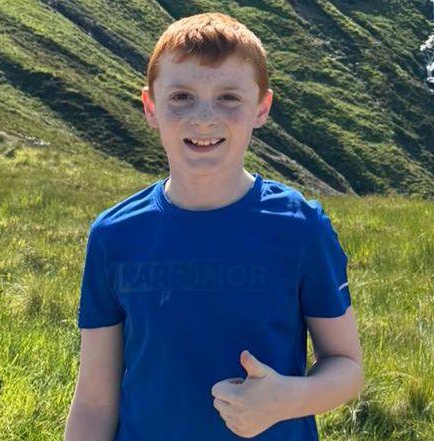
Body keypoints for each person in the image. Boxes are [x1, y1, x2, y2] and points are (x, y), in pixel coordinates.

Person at [64, 12, 363, 441]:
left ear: (261, 108)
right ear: (150, 107)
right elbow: (94, 400)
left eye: (228, 98)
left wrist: (286, 400)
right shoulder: (114, 235)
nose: (204, 118)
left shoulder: (300, 227)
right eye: (181, 96)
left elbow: (347, 367)